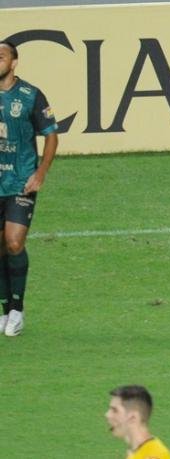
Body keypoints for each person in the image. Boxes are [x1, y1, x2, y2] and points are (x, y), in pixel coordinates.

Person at [0, 38, 58, 337]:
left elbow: (50, 135)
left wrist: (40, 173)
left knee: (14, 243)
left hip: (21, 181)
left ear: (14, 62)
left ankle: (17, 311)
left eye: (1, 56)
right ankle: (5, 309)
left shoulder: (30, 95)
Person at [105, 385, 170, 459]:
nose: (107, 415)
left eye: (115, 410)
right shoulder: (139, 452)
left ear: (133, 418)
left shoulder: (154, 456)